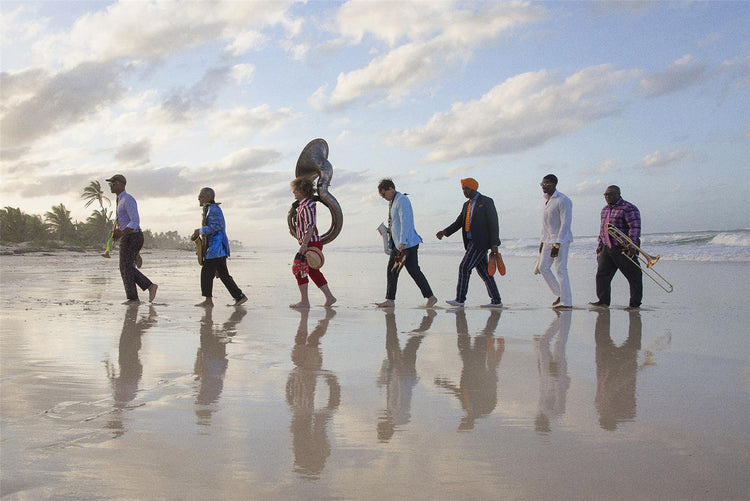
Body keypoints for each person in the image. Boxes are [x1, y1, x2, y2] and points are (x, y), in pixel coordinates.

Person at [436, 178, 502, 308]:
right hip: (471, 242)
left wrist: (494, 244)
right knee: (485, 273)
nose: (464, 191)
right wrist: (444, 232)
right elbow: (459, 222)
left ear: (473, 188)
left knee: (464, 267)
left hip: (480, 243)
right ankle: (496, 300)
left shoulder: (486, 201)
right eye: (462, 189)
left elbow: (494, 223)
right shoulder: (466, 205)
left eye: (466, 188)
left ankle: (460, 299)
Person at [375, 179, 437, 308]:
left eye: (383, 194)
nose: (383, 197)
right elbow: (396, 224)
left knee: (409, 271)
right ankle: (391, 300)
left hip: (406, 244)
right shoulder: (393, 202)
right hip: (399, 244)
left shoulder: (402, 200)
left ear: (390, 189)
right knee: (397, 271)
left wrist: (403, 242)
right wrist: (387, 231)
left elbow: (406, 222)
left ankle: (430, 297)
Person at [191, 187, 247, 307]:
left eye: (201, 196)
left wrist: (200, 230)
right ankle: (239, 297)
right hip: (217, 249)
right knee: (223, 275)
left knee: (206, 273)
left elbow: (218, 226)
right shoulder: (211, 209)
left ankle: (208, 301)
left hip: (216, 249)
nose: (198, 198)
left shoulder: (214, 209)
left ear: (208, 197)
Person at [589, 185, 643, 310]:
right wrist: (600, 246)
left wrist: (632, 245)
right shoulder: (604, 210)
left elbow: (634, 227)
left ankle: (635, 304)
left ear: (619, 194)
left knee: (634, 276)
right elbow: (603, 229)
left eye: (611, 194)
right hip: (607, 248)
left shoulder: (628, 208)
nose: (608, 197)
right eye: (606, 194)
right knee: (602, 275)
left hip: (623, 248)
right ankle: (603, 301)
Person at [107, 174, 158, 304]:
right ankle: (138, 294)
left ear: (122, 184)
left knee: (126, 267)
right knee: (125, 266)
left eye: (113, 183)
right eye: (110, 184)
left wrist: (122, 233)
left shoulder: (128, 199)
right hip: (128, 236)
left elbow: (135, 221)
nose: (111, 186)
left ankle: (139, 294)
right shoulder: (119, 200)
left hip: (133, 236)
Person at [289, 177, 337, 309]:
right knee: (312, 272)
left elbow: (310, 226)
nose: (293, 193)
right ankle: (329, 297)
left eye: (295, 190)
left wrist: (304, 244)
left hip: (310, 244)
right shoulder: (303, 206)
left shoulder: (307, 206)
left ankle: (305, 301)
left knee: (298, 269)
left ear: (301, 191)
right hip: (310, 242)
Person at [539, 174, 573, 309]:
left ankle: (567, 302)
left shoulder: (563, 200)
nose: (543, 187)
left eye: (546, 184)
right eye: (542, 184)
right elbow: (545, 224)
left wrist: (558, 243)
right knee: (543, 267)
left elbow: (566, 223)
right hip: (547, 239)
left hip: (561, 240)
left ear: (554, 184)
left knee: (561, 269)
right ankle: (560, 294)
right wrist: (542, 241)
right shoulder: (545, 200)